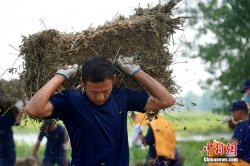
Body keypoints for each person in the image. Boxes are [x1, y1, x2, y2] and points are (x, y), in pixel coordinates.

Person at [24, 56, 176, 165]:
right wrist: (60, 76)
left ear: (114, 81)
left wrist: (136, 72)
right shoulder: (71, 100)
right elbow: (32, 109)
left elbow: (167, 100)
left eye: (105, 90)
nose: (100, 97)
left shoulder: (122, 98)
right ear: (83, 83)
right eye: (94, 92)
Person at [0, 99, 23, 166]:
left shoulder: (8, 115)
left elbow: (16, 122)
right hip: (3, 141)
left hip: (8, 141)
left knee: (10, 161)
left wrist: (21, 110)